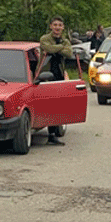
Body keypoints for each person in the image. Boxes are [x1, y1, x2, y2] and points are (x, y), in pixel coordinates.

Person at [38, 15, 72, 145]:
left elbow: (69, 53)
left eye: (60, 25)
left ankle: (53, 133)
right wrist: (60, 48)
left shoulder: (65, 40)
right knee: (47, 105)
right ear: (51, 26)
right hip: (45, 75)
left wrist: (58, 48)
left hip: (59, 74)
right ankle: (46, 130)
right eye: (55, 25)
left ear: (63, 27)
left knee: (57, 105)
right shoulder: (45, 38)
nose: (57, 27)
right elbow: (48, 48)